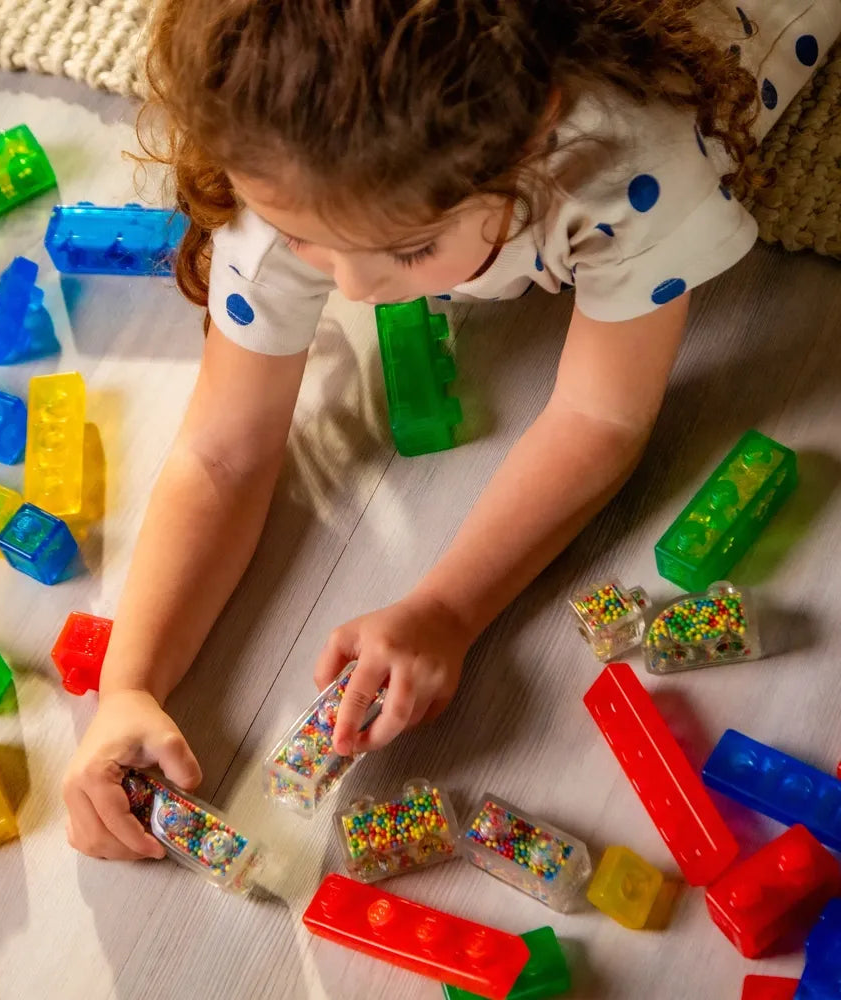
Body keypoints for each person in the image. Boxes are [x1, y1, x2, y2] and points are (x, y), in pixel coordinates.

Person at [63, 0, 841, 859]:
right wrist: (128, 685)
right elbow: (220, 452)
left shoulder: (631, 158)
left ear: (531, 138)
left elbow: (601, 416)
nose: (352, 292)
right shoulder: (283, 151)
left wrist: (447, 609)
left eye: (407, 250)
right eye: (303, 239)